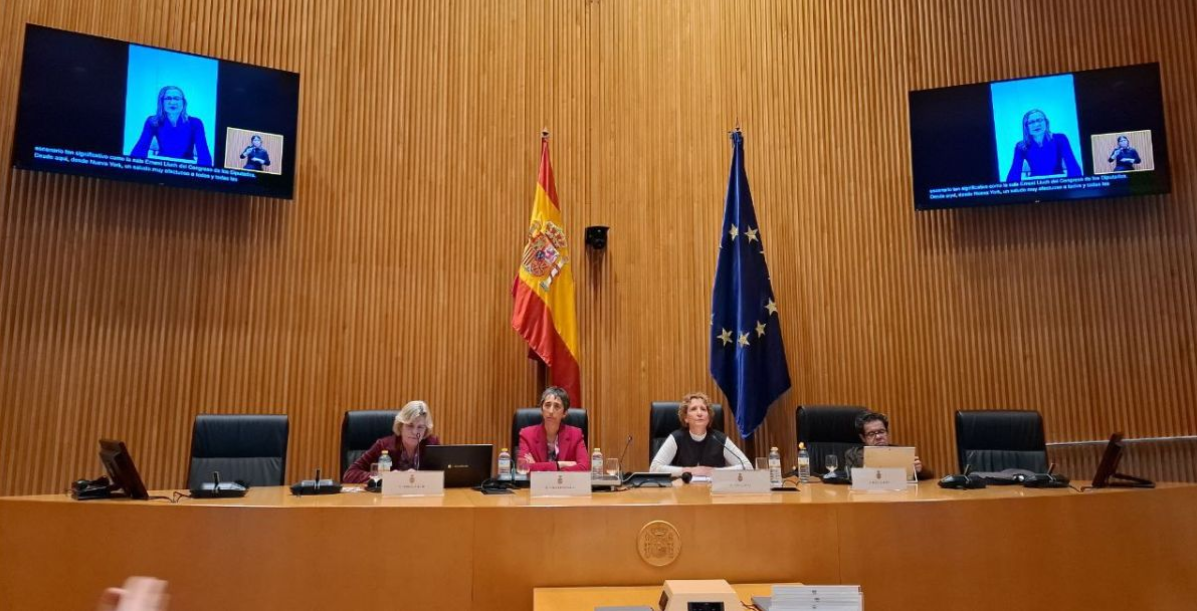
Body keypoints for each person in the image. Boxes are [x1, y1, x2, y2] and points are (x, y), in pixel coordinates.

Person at [649, 392, 751, 475]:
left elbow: (748, 467)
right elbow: (654, 468)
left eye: (703, 409)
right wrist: (688, 471)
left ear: (709, 417)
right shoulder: (677, 438)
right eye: (693, 409)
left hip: (714, 494)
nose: (699, 413)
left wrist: (713, 472)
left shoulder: (719, 439)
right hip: (683, 493)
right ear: (686, 418)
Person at [342, 400, 440, 483]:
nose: (415, 432)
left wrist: (421, 476)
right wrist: (383, 478)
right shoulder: (383, 446)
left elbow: (444, 477)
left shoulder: (432, 445)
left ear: (426, 429)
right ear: (401, 426)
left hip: (422, 500)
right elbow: (349, 474)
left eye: (420, 427)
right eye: (410, 425)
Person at [129, 86, 212, 166]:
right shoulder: (153, 121)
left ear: (183, 103)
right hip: (162, 167)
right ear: (161, 102)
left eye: (176, 98)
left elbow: (204, 158)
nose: (172, 102)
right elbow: (139, 151)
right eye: (168, 98)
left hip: (186, 169)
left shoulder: (195, 123)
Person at [517, 386, 590, 472]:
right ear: (541, 409)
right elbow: (523, 467)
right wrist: (560, 464)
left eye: (557, 406)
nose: (551, 411)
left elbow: (585, 468)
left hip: (566, 485)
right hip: (535, 485)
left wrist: (537, 466)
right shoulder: (526, 434)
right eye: (547, 405)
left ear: (564, 413)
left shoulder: (576, 434)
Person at [843, 411, 933, 479]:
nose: (878, 437)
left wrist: (920, 470)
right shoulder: (853, 454)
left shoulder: (901, 452)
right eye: (871, 434)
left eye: (881, 432)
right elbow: (850, 479)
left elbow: (929, 477)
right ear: (863, 438)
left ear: (887, 433)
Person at [1004, 109, 1081, 182]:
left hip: (1058, 184)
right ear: (1026, 127)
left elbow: (1073, 167)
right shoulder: (1021, 146)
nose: (1037, 124)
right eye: (1031, 122)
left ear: (1046, 123)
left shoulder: (1060, 139)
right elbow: (1014, 174)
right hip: (1036, 186)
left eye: (1039, 120)